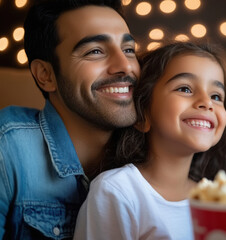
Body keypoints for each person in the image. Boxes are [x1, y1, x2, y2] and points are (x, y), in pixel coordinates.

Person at [0, 0, 140, 239]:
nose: (125, 66)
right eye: (95, 51)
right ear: (46, 75)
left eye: (128, 50)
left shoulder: (156, 146)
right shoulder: (8, 147)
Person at [73, 42, 226, 240]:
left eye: (216, 96)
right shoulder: (117, 192)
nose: (207, 102)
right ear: (143, 115)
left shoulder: (217, 198)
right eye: (185, 89)